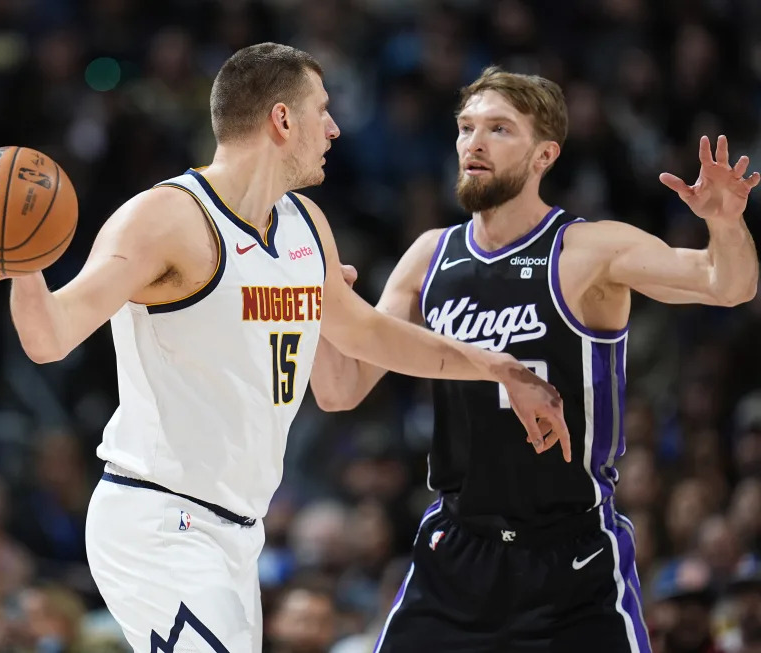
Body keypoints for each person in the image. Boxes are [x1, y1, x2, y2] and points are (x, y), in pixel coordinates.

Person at [0, 44, 569, 652]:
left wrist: (494, 367)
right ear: (281, 119)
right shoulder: (168, 218)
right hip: (159, 521)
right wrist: (24, 268)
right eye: (321, 109)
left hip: (241, 533)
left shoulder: (304, 224)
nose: (333, 127)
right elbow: (50, 338)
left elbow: (366, 335)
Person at [310, 66, 759, 652]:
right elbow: (340, 389)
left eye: (499, 129)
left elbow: (727, 285)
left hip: (570, 557)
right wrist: (314, 304)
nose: (474, 142)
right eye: (466, 127)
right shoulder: (429, 257)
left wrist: (725, 226)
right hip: (457, 552)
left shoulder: (587, 249)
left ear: (545, 154)